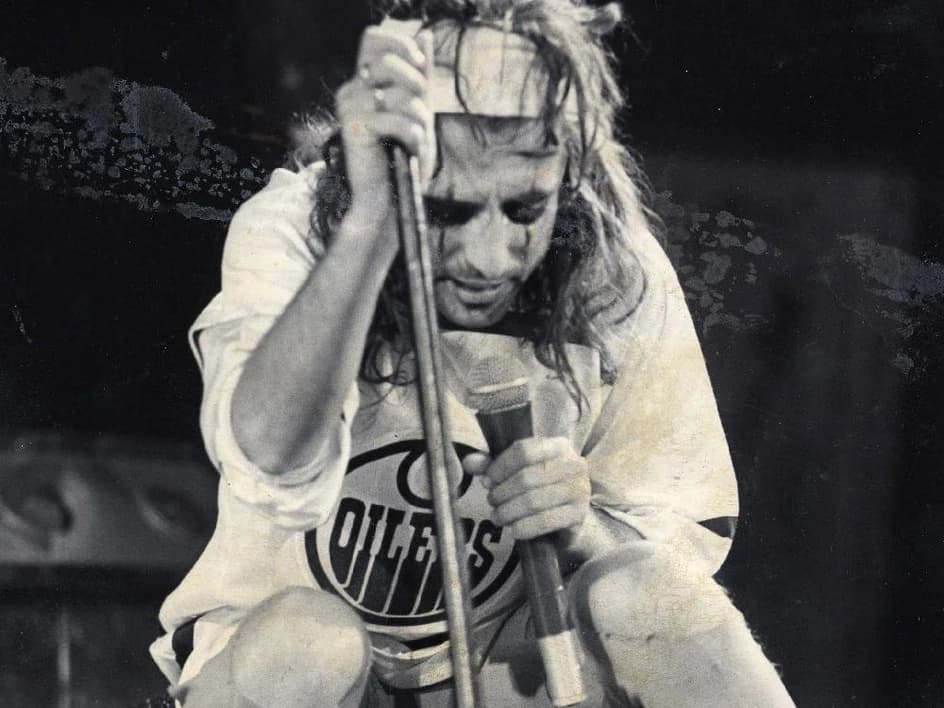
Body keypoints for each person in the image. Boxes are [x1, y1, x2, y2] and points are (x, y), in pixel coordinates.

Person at [150, 1, 796, 705]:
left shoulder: (614, 266)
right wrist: (372, 227)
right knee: (308, 645)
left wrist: (579, 525)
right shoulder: (297, 227)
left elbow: (677, 545)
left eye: (525, 209)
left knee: (651, 590)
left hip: (499, 671)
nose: (491, 259)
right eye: (448, 212)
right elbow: (270, 461)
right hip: (295, 674)